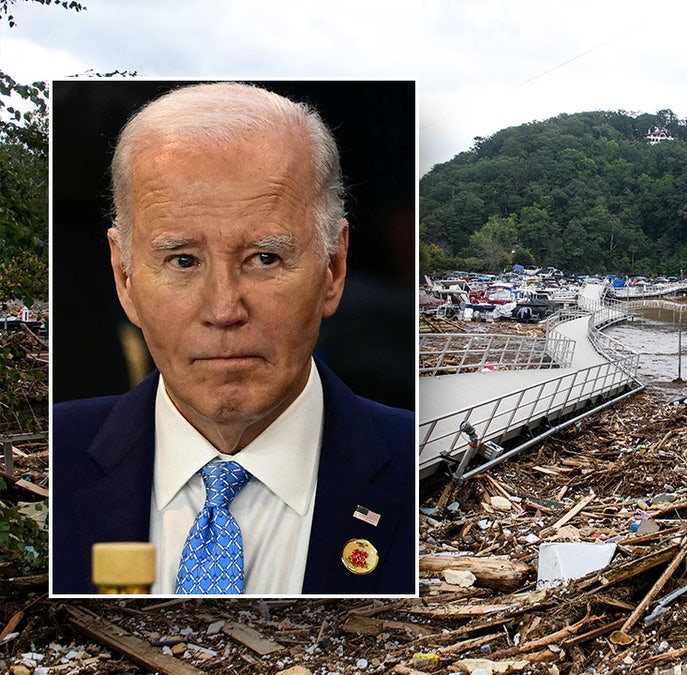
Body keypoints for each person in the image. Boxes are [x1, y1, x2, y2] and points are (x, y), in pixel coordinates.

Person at [52, 82, 416, 595]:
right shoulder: (48, 464)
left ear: (333, 268)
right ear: (124, 276)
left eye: (264, 258)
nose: (224, 310)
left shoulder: (423, 465)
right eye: (182, 260)